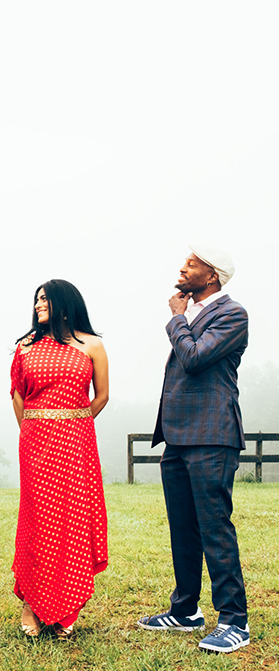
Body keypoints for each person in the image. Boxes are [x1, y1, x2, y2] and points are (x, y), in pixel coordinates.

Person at [138, 245, 250, 654]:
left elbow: (195, 358)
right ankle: (185, 610)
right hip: (178, 438)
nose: (182, 268)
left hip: (211, 436)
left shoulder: (232, 314)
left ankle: (235, 621)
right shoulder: (196, 314)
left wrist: (176, 319)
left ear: (212, 276)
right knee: (183, 529)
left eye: (192, 265)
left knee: (214, 528)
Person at [10, 279, 109, 638]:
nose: (38, 304)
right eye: (35, 299)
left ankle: (69, 606)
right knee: (39, 522)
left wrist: (73, 425)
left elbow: (101, 396)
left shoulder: (92, 345)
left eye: (45, 299)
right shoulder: (25, 347)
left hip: (76, 446)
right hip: (36, 445)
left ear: (64, 303)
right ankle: (31, 603)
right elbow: (18, 397)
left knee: (72, 521)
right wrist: (34, 430)